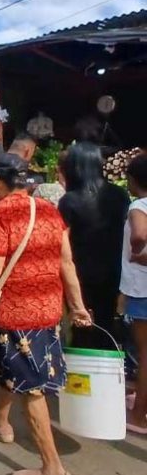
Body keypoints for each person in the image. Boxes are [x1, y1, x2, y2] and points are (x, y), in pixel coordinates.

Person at [0, 152, 92, 475]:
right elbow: (66, 263)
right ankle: (1, 422)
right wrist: (77, 306)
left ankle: (52, 466)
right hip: (48, 311)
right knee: (14, 366)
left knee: (32, 389)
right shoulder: (48, 211)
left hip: (17, 315)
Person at [58, 142, 130, 349]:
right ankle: (106, 367)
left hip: (80, 271)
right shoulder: (119, 195)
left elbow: (63, 244)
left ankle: (82, 371)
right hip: (113, 269)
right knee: (106, 321)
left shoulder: (69, 201)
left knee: (80, 321)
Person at [119, 154, 147, 434]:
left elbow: (139, 235)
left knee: (145, 352)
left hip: (143, 288)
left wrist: (140, 254)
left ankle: (139, 416)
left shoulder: (138, 205)